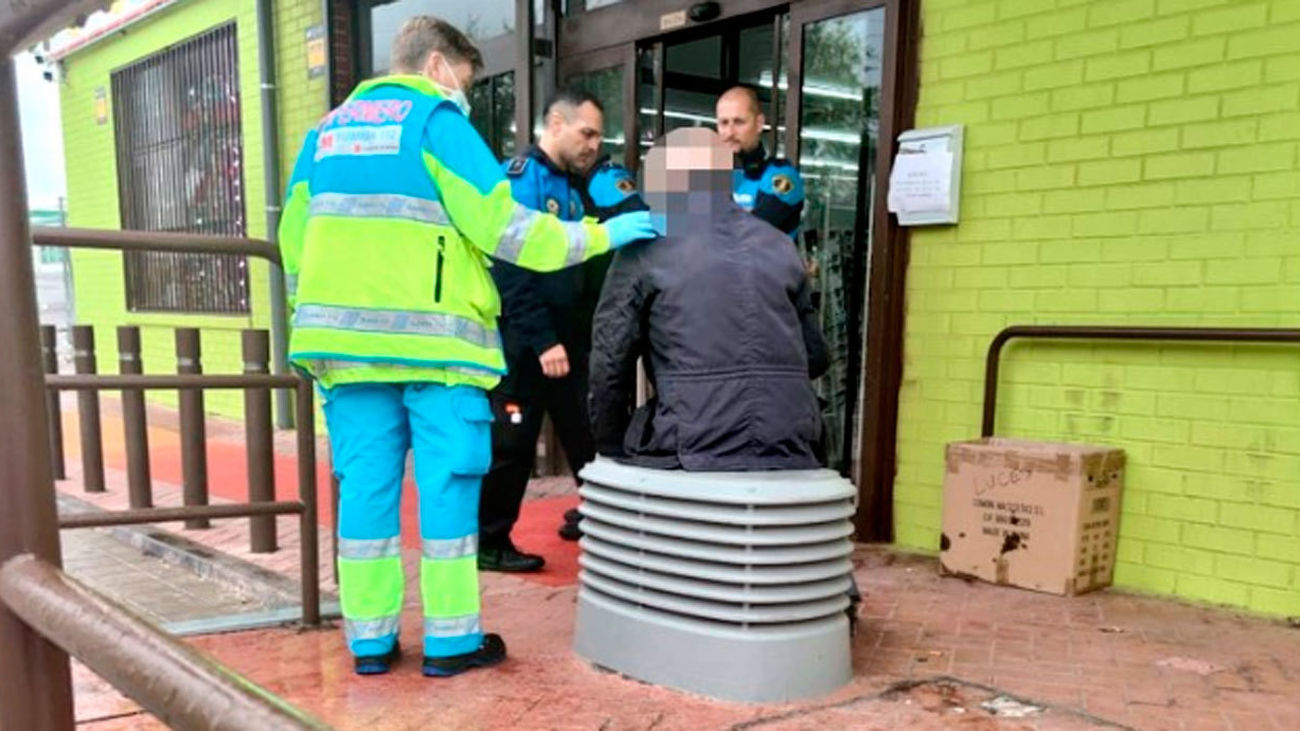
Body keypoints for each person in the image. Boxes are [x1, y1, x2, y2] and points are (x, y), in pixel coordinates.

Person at [278, 16, 656, 677]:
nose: (466, 94)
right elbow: (508, 230)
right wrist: (604, 237)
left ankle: (369, 643)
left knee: (365, 492)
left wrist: (314, 319)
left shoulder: (323, 135)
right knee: (448, 490)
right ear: (434, 67)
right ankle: (450, 644)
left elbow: (292, 240)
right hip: (434, 349)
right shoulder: (434, 124)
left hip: (342, 351)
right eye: (466, 80)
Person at [589, 127, 828, 471]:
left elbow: (609, 362)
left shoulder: (645, 247)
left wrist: (609, 446)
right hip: (792, 442)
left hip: (689, 444)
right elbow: (816, 356)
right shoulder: (780, 246)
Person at [479, 89, 641, 571]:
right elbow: (510, 270)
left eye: (598, 136)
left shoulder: (576, 187)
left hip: (570, 343)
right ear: (555, 123)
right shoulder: (521, 182)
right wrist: (543, 339)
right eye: (586, 133)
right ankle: (489, 543)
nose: (594, 144)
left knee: (589, 437)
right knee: (511, 446)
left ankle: (605, 524)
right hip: (529, 344)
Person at [715, 85, 805, 238]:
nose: (730, 132)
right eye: (724, 123)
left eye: (739, 122)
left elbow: (748, 234)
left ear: (759, 123)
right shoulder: (718, 178)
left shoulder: (780, 176)